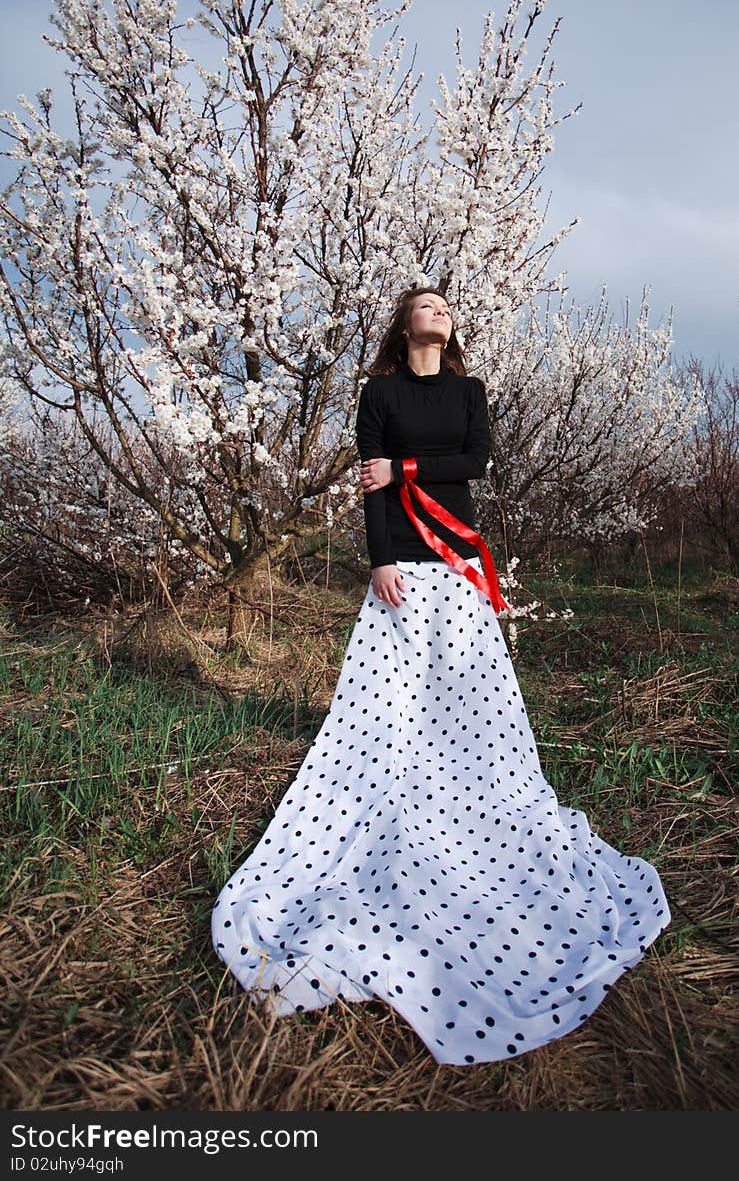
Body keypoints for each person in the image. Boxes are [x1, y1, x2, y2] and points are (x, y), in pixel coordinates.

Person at [211, 285, 672, 1066]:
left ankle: (472, 786)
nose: (440, 308)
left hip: (457, 564)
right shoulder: (377, 394)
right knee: (387, 698)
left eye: (446, 303)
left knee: (469, 693)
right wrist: (380, 558)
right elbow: (371, 487)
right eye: (425, 302)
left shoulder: (468, 392)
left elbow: (476, 462)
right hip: (403, 570)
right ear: (404, 321)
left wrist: (406, 466)